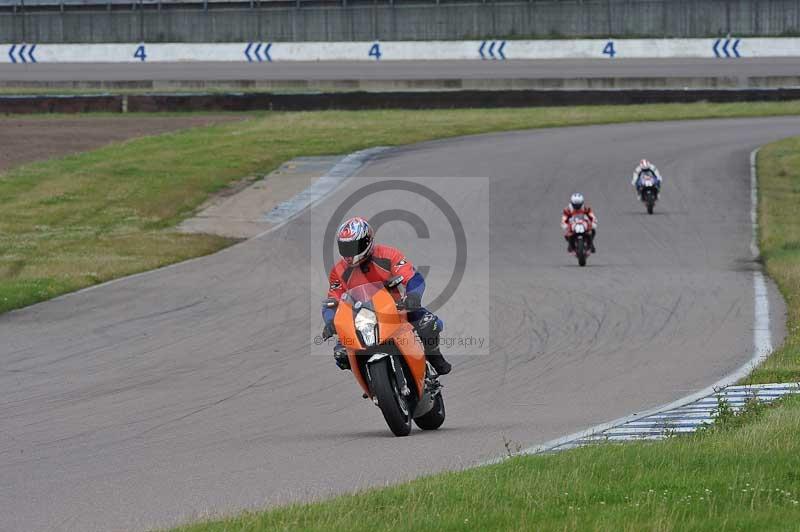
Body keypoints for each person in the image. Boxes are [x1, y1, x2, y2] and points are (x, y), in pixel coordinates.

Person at [321, 216, 452, 375]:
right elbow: (333, 299)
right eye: (345, 247)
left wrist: (413, 296)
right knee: (341, 354)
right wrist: (330, 321)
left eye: (353, 247)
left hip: (397, 308)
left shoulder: (388, 255)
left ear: (367, 241)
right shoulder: (338, 271)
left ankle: (434, 357)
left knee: (428, 324)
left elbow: (413, 277)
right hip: (359, 319)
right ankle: (371, 381)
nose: (349, 253)